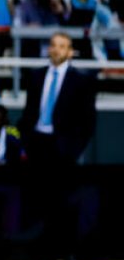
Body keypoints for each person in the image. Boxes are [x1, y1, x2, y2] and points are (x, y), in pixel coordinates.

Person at [18, 32, 98, 165]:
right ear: (49, 49)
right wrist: (26, 139)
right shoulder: (36, 76)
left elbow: (88, 120)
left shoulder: (81, 81)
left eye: (62, 46)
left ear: (70, 52)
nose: (56, 50)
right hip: (35, 142)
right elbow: (29, 110)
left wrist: (74, 149)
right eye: (53, 45)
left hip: (64, 147)